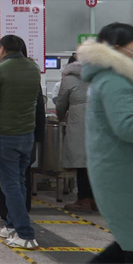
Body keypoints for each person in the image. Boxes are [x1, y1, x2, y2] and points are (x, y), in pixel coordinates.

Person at [77, 23, 133, 262]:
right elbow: (126, 125)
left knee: (131, 240)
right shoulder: (114, 80)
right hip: (123, 170)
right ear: (117, 47)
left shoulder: (111, 77)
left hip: (122, 166)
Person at [0, 35, 42, 250]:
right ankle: (11, 225)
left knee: (10, 185)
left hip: (4, 135)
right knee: (20, 182)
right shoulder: (33, 69)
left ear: (2, 49)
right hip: (26, 135)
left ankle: (25, 234)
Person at [55, 56, 93, 213]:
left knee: (81, 163)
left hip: (78, 122)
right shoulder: (97, 75)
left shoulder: (68, 79)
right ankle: (95, 200)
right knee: (93, 162)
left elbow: (61, 103)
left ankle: (83, 199)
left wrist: (61, 116)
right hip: (97, 121)